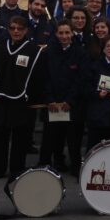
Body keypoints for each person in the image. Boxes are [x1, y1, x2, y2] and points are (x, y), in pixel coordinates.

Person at [0, 16, 46, 180]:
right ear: (8, 29)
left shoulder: (34, 50)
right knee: (0, 136)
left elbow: (38, 78)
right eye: (13, 28)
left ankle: (16, 170)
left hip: (22, 101)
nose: (16, 31)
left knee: (20, 137)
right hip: (2, 99)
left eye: (20, 28)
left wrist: (32, 99)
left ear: (26, 30)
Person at [39, 20, 89, 176]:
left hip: (71, 103)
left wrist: (70, 101)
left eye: (67, 32)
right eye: (61, 33)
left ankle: (75, 166)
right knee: (51, 137)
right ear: (56, 34)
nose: (64, 36)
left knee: (73, 139)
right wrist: (50, 100)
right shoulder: (48, 53)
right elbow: (44, 77)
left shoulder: (80, 52)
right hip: (53, 103)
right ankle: (50, 163)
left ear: (72, 34)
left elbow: (81, 79)